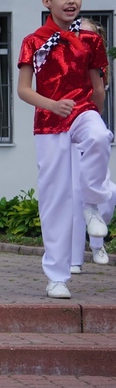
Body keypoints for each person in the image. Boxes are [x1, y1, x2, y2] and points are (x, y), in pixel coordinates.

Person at [17, 0, 111, 300]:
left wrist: (93, 118)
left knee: (100, 139)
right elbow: (23, 90)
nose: (71, 1)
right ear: (47, 2)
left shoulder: (91, 40)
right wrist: (51, 104)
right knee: (55, 200)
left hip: (82, 111)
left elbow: (98, 87)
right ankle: (57, 276)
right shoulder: (33, 41)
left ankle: (91, 201)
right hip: (48, 121)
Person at [70, 18, 113, 273]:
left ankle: (97, 241)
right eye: (79, 32)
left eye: (89, 34)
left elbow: (99, 99)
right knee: (74, 196)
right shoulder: (63, 58)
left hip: (90, 126)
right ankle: (73, 259)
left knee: (106, 194)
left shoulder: (99, 67)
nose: (83, 38)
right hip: (66, 131)